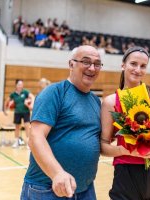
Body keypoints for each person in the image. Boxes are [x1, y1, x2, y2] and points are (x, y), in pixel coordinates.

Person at [20, 45, 103, 200]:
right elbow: (36, 137)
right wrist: (57, 173)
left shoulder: (96, 102)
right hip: (47, 189)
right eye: (86, 62)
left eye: (97, 64)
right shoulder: (54, 92)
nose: (92, 68)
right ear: (71, 64)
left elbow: (99, 142)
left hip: (85, 189)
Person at [100, 46, 150, 200]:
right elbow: (103, 146)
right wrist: (127, 151)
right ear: (123, 65)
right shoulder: (110, 102)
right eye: (133, 64)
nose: (138, 69)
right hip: (126, 173)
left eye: (143, 66)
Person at [4, 79, 34, 148]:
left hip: (26, 112)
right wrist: (5, 109)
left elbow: (32, 97)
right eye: (19, 84)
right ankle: (16, 142)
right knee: (17, 127)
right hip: (17, 112)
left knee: (27, 126)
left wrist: (31, 104)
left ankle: (28, 143)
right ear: (16, 85)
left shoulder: (25, 92)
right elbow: (6, 101)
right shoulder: (13, 94)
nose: (20, 86)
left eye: (21, 84)